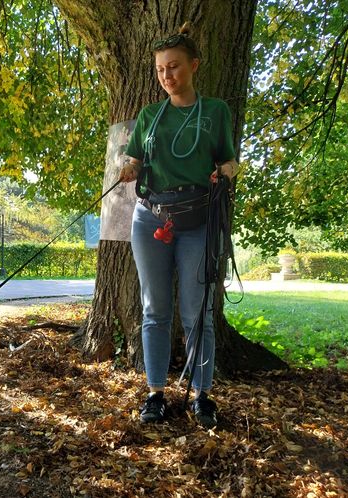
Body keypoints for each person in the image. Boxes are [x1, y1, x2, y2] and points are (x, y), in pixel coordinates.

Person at [119, 22, 239, 429]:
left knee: (198, 312)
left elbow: (230, 161)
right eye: (159, 70)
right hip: (151, 218)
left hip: (198, 220)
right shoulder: (150, 116)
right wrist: (128, 168)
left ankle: (203, 396)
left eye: (173, 67)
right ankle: (155, 393)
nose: (167, 76)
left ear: (193, 66)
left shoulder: (216, 111)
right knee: (154, 310)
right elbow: (134, 160)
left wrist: (225, 171)